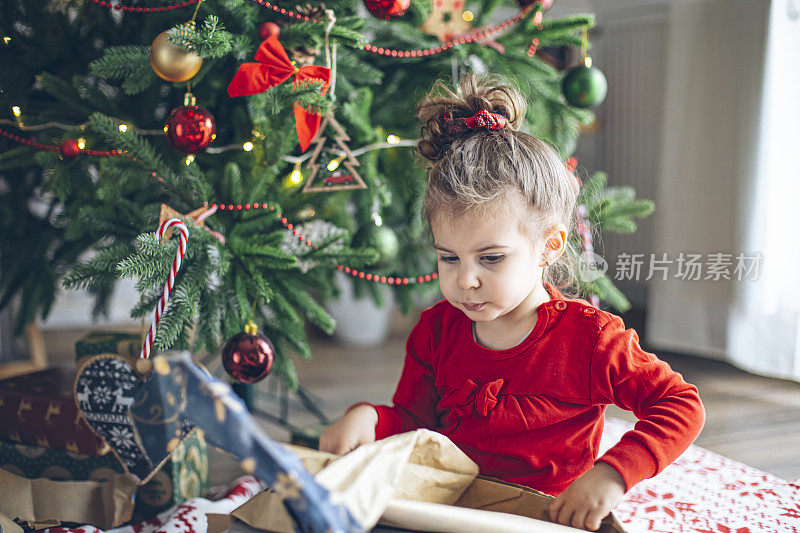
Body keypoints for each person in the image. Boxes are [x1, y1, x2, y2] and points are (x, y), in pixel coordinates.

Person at [319, 74, 705, 531]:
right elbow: (413, 422)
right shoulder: (436, 330)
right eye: (448, 257)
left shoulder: (591, 339)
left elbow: (680, 404)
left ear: (549, 246)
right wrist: (370, 418)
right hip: (447, 509)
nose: (466, 280)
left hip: (548, 517)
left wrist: (612, 474)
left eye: (491, 258)